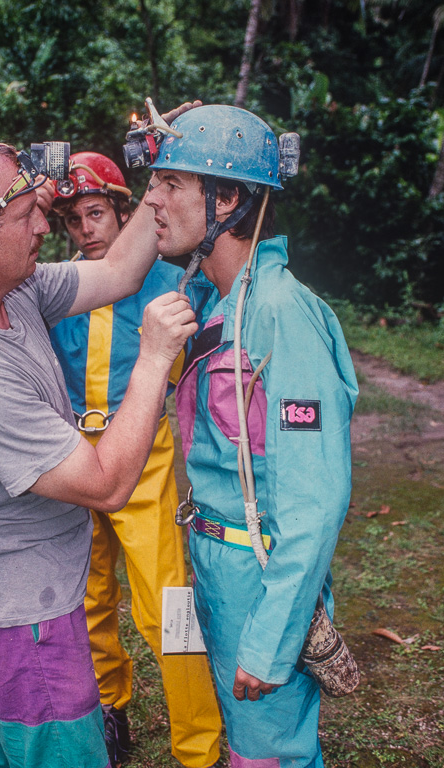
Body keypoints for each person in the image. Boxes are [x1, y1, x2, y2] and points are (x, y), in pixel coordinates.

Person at [0, 119, 198, 768]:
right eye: (28, 216)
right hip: (23, 621)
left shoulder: (12, 293)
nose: (47, 228)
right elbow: (105, 483)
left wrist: (161, 175)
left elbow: (123, 271)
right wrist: (154, 359)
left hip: (13, 600)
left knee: (6, 744)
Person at [142, 104, 359, 768]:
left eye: (172, 182)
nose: (151, 197)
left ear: (228, 198)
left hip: (261, 574)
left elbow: (314, 501)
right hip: (217, 564)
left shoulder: (279, 314)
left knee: (270, 753)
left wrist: (269, 641)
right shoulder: (216, 301)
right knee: (247, 743)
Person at [45, 151, 221, 768]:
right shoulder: (57, 285)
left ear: (126, 212)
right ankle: (109, 712)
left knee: (167, 605)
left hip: (144, 460)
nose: (86, 229)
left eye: (96, 213)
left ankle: (200, 747)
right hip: (72, 459)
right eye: (73, 219)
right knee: (87, 599)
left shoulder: (170, 283)